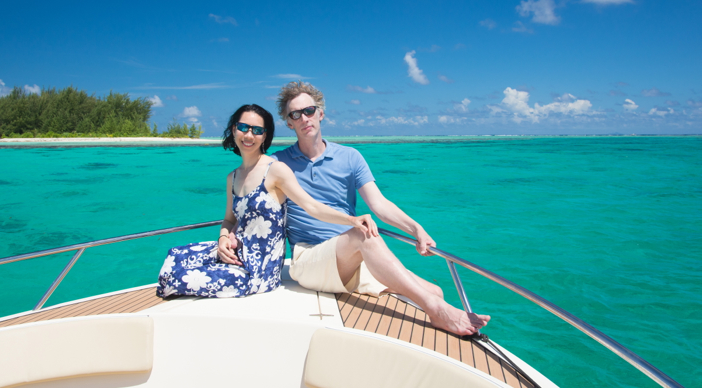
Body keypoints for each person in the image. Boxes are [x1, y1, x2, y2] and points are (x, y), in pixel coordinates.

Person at [262, 81, 490, 336]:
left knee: (435, 290)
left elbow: (379, 204)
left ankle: (437, 304)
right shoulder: (278, 162)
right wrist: (230, 234)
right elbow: (253, 202)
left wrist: (417, 229)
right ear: (289, 122)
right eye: (296, 114)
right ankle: (438, 312)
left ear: (321, 113)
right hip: (310, 260)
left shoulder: (350, 157)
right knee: (364, 232)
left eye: (309, 110)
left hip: (350, 258)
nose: (304, 118)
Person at [157, 103, 376, 299]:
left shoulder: (275, 170)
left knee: (177, 279)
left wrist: (352, 220)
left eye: (257, 130)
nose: (249, 135)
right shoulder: (232, 177)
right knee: (175, 257)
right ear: (234, 130)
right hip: (236, 253)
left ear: (265, 136)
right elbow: (228, 219)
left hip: (260, 269)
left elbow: (311, 206)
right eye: (243, 127)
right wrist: (223, 238)